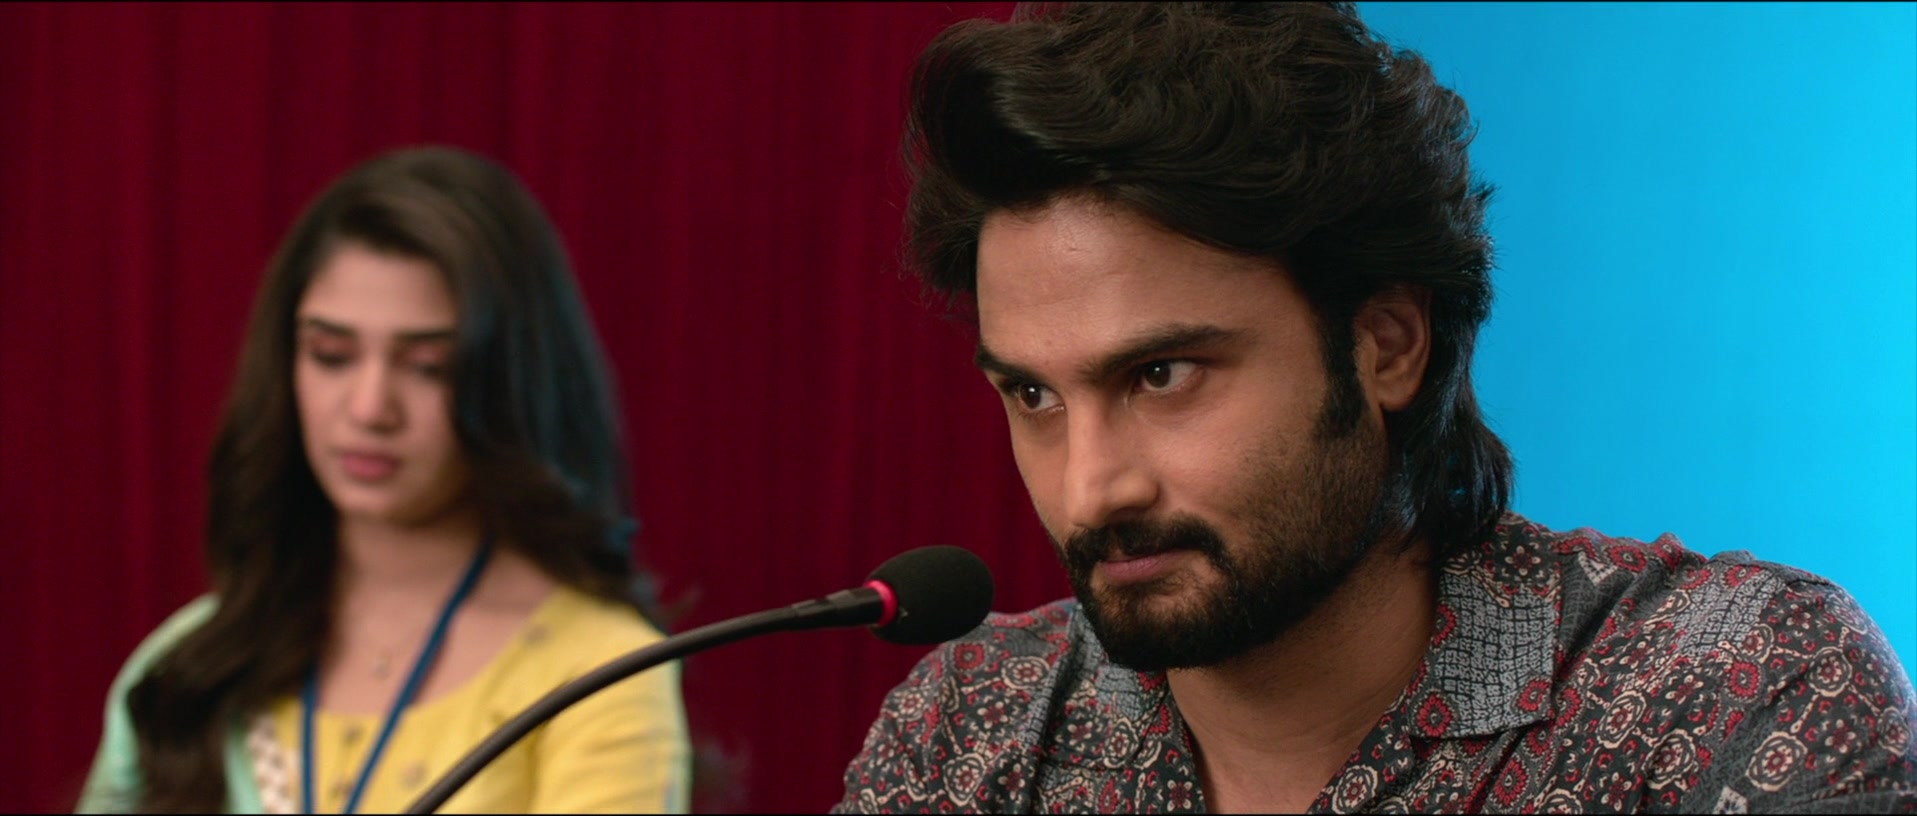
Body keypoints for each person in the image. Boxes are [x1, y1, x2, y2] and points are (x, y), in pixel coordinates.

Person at [834, 3, 1917, 813]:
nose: (1089, 488)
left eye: (1161, 375)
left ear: (1387, 343)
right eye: (1032, 394)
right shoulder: (969, 731)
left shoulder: (1731, 689)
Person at [77, 146, 691, 814]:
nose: (370, 408)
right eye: (331, 355)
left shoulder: (600, 670)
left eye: (428, 367)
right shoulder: (191, 663)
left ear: (512, 381)